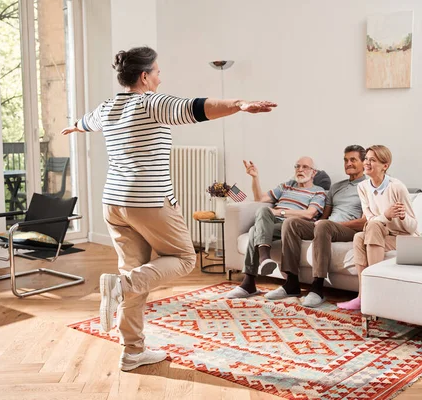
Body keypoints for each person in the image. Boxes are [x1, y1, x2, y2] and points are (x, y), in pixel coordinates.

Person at [60, 46, 276, 371]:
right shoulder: (152, 103)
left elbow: (86, 122)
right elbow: (198, 107)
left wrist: (75, 126)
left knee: (133, 270)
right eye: (158, 72)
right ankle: (120, 289)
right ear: (145, 77)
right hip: (147, 200)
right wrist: (240, 105)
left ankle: (132, 351)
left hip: (114, 202)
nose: (161, 78)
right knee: (185, 258)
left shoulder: (107, 107)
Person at [265, 145, 368, 307]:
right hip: (327, 226)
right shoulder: (336, 187)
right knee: (291, 223)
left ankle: (317, 287)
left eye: (353, 160)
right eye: (346, 160)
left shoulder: (368, 187)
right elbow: (324, 216)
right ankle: (291, 283)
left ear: (364, 162)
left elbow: (364, 222)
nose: (348, 163)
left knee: (323, 226)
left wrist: (330, 224)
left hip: (349, 229)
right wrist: (315, 223)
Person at [224, 157, 326, 299]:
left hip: (295, 225)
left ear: (314, 173)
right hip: (273, 222)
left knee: (254, 231)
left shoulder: (319, 192)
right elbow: (260, 198)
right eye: (297, 166)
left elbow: (309, 214)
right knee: (262, 211)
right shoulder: (286, 186)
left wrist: (280, 212)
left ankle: (249, 282)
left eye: (305, 167)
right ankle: (264, 261)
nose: (300, 170)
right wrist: (255, 177)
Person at [337, 145, 418, 311]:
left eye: (372, 160)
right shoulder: (363, 187)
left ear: (385, 166)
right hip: (379, 233)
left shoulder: (396, 187)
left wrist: (402, 217)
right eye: (366, 159)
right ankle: (362, 296)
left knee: (372, 226)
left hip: (404, 238)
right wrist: (386, 215)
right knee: (360, 236)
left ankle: (375, 293)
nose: (366, 163)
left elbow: (412, 227)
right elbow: (369, 218)